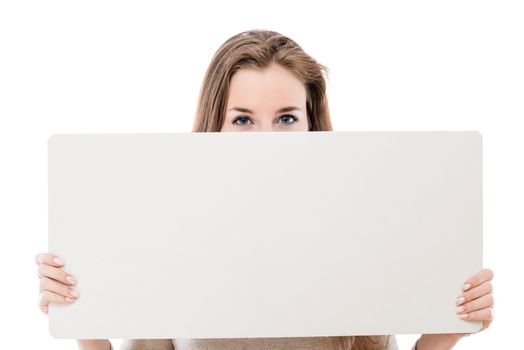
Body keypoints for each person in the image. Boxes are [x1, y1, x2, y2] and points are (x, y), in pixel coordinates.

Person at [35, 29, 495, 350]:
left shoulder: (354, 229)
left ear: (312, 125)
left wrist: (446, 331)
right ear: (216, 125)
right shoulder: (175, 233)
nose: (266, 140)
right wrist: (79, 314)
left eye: (287, 118)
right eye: (243, 120)